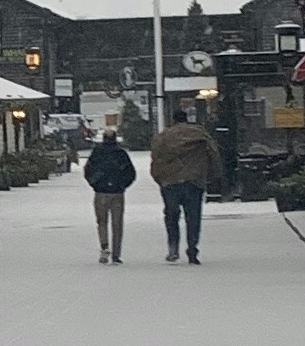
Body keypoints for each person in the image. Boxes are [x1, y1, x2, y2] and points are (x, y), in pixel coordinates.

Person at [147, 110, 221, 263]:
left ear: (173, 120)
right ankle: (192, 248)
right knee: (193, 216)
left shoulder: (164, 137)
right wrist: (213, 175)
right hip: (194, 180)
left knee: (171, 215)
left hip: (170, 181)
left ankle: (173, 247)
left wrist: (159, 178)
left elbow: (156, 158)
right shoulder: (200, 134)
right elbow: (213, 154)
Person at [80, 125, 139, 262]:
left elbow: (88, 170)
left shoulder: (97, 153)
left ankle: (104, 247)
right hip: (117, 193)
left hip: (101, 192)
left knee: (102, 222)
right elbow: (131, 173)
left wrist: (95, 184)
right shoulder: (121, 154)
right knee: (117, 224)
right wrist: (122, 185)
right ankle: (116, 254)